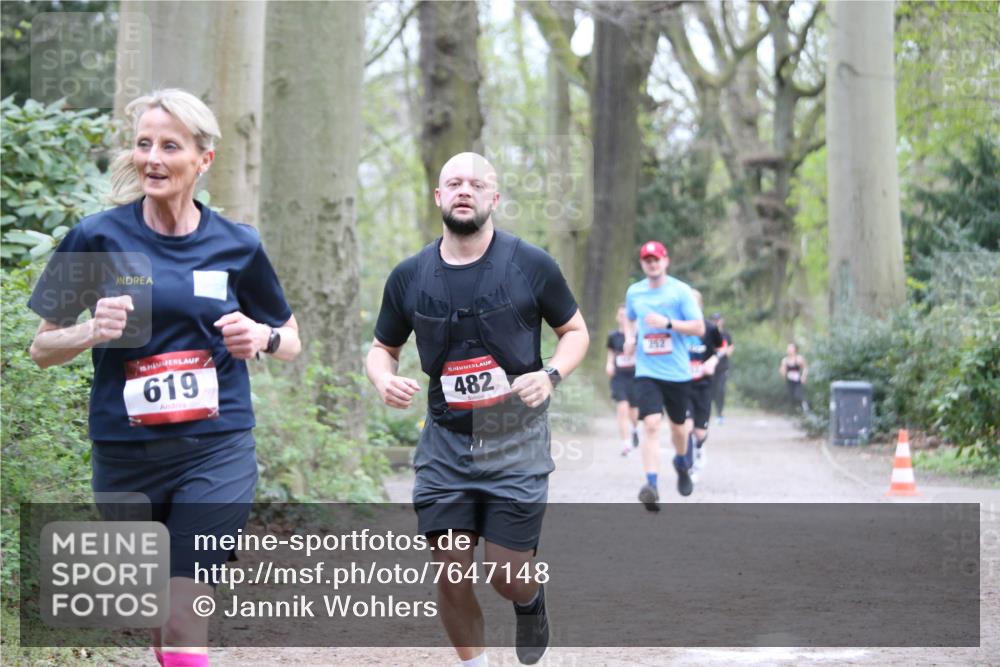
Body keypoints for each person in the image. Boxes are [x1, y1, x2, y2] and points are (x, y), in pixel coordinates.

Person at [28, 89, 301, 667]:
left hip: (217, 448)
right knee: (158, 604)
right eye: (144, 144)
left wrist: (262, 337)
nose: (152, 158)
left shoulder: (238, 243)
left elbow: (290, 338)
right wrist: (91, 331)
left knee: (182, 605)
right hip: (126, 454)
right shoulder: (96, 237)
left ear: (203, 160)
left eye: (170, 146)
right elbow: (41, 348)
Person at [365, 152, 588, 666]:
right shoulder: (409, 276)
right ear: (439, 196)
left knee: (506, 574)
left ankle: (530, 601)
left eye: (476, 184)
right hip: (445, 439)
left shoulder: (531, 264)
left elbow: (575, 331)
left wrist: (550, 374)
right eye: (453, 183)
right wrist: (383, 378)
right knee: (451, 569)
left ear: (494, 198)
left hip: (514, 434)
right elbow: (383, 348)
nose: (464, 190)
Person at [624, 241, 704, 512]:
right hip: (647, 371)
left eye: (656, 259)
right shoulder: (635, 292)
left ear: (665, 261)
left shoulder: (680, 291)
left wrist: (667, 323)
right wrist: (629, 338)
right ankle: (651, 485)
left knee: (679, 429)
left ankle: (681, 463)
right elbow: (629, 317)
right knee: (651, 424)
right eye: (647, 260)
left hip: (677, 373)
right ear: (642, 264)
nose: (652, 264)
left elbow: (699, 328)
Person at [685, 292, 724, 482]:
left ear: (699, 306)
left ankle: (699, 447)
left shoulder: (710, 329)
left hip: (703, 385)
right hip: (682, 385)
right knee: (686, 427)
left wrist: (713, 360)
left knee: (700, 433)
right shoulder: (678, 327)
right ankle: (688, 469)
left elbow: (722, 347)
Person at [606, 304, 640, 456]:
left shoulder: (637, 336)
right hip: (619, 377)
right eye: (621, 315)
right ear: (617, 317)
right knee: (622, 408)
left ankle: (635, 429)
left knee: (634, 412)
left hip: (635, 377)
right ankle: (626, 443)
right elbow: (611, 353)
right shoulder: (613, 336)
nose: (624, 318)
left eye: (626, 316)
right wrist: (609, 364)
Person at [709, 312, 734, 425]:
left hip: (722, 367)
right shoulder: (708, 334)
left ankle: (720, 413)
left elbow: (729, 351)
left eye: (717, 320)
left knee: (720, 390)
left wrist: (723, 350)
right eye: (714, 320)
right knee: (710, 391)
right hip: (710, 368)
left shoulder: (726, 335)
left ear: (721, 321)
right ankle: (707, 413)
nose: (716, 322)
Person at [779, 342, 808, 412]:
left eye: (790, 347)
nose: (788, 349)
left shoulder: (799, 358)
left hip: (797, 381)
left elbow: (805, 368)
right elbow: (782, 370)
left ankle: (806, 408)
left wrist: (803, 376)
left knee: (798, 396)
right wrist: (783, 372)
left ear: (795, 349)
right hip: (789, 381)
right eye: (788, 348)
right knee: (791, 397)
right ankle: (795, 411)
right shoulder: (785, 360)